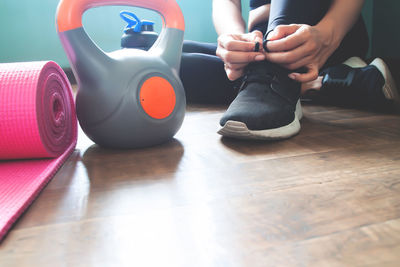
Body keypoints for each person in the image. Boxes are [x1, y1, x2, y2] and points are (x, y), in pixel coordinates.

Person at [179, 0, 399, 140]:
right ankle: (316, 82)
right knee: (171, 64)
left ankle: (271, 78)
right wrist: (234, 40)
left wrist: (327, 35)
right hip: (263, 38)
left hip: (321, 32)